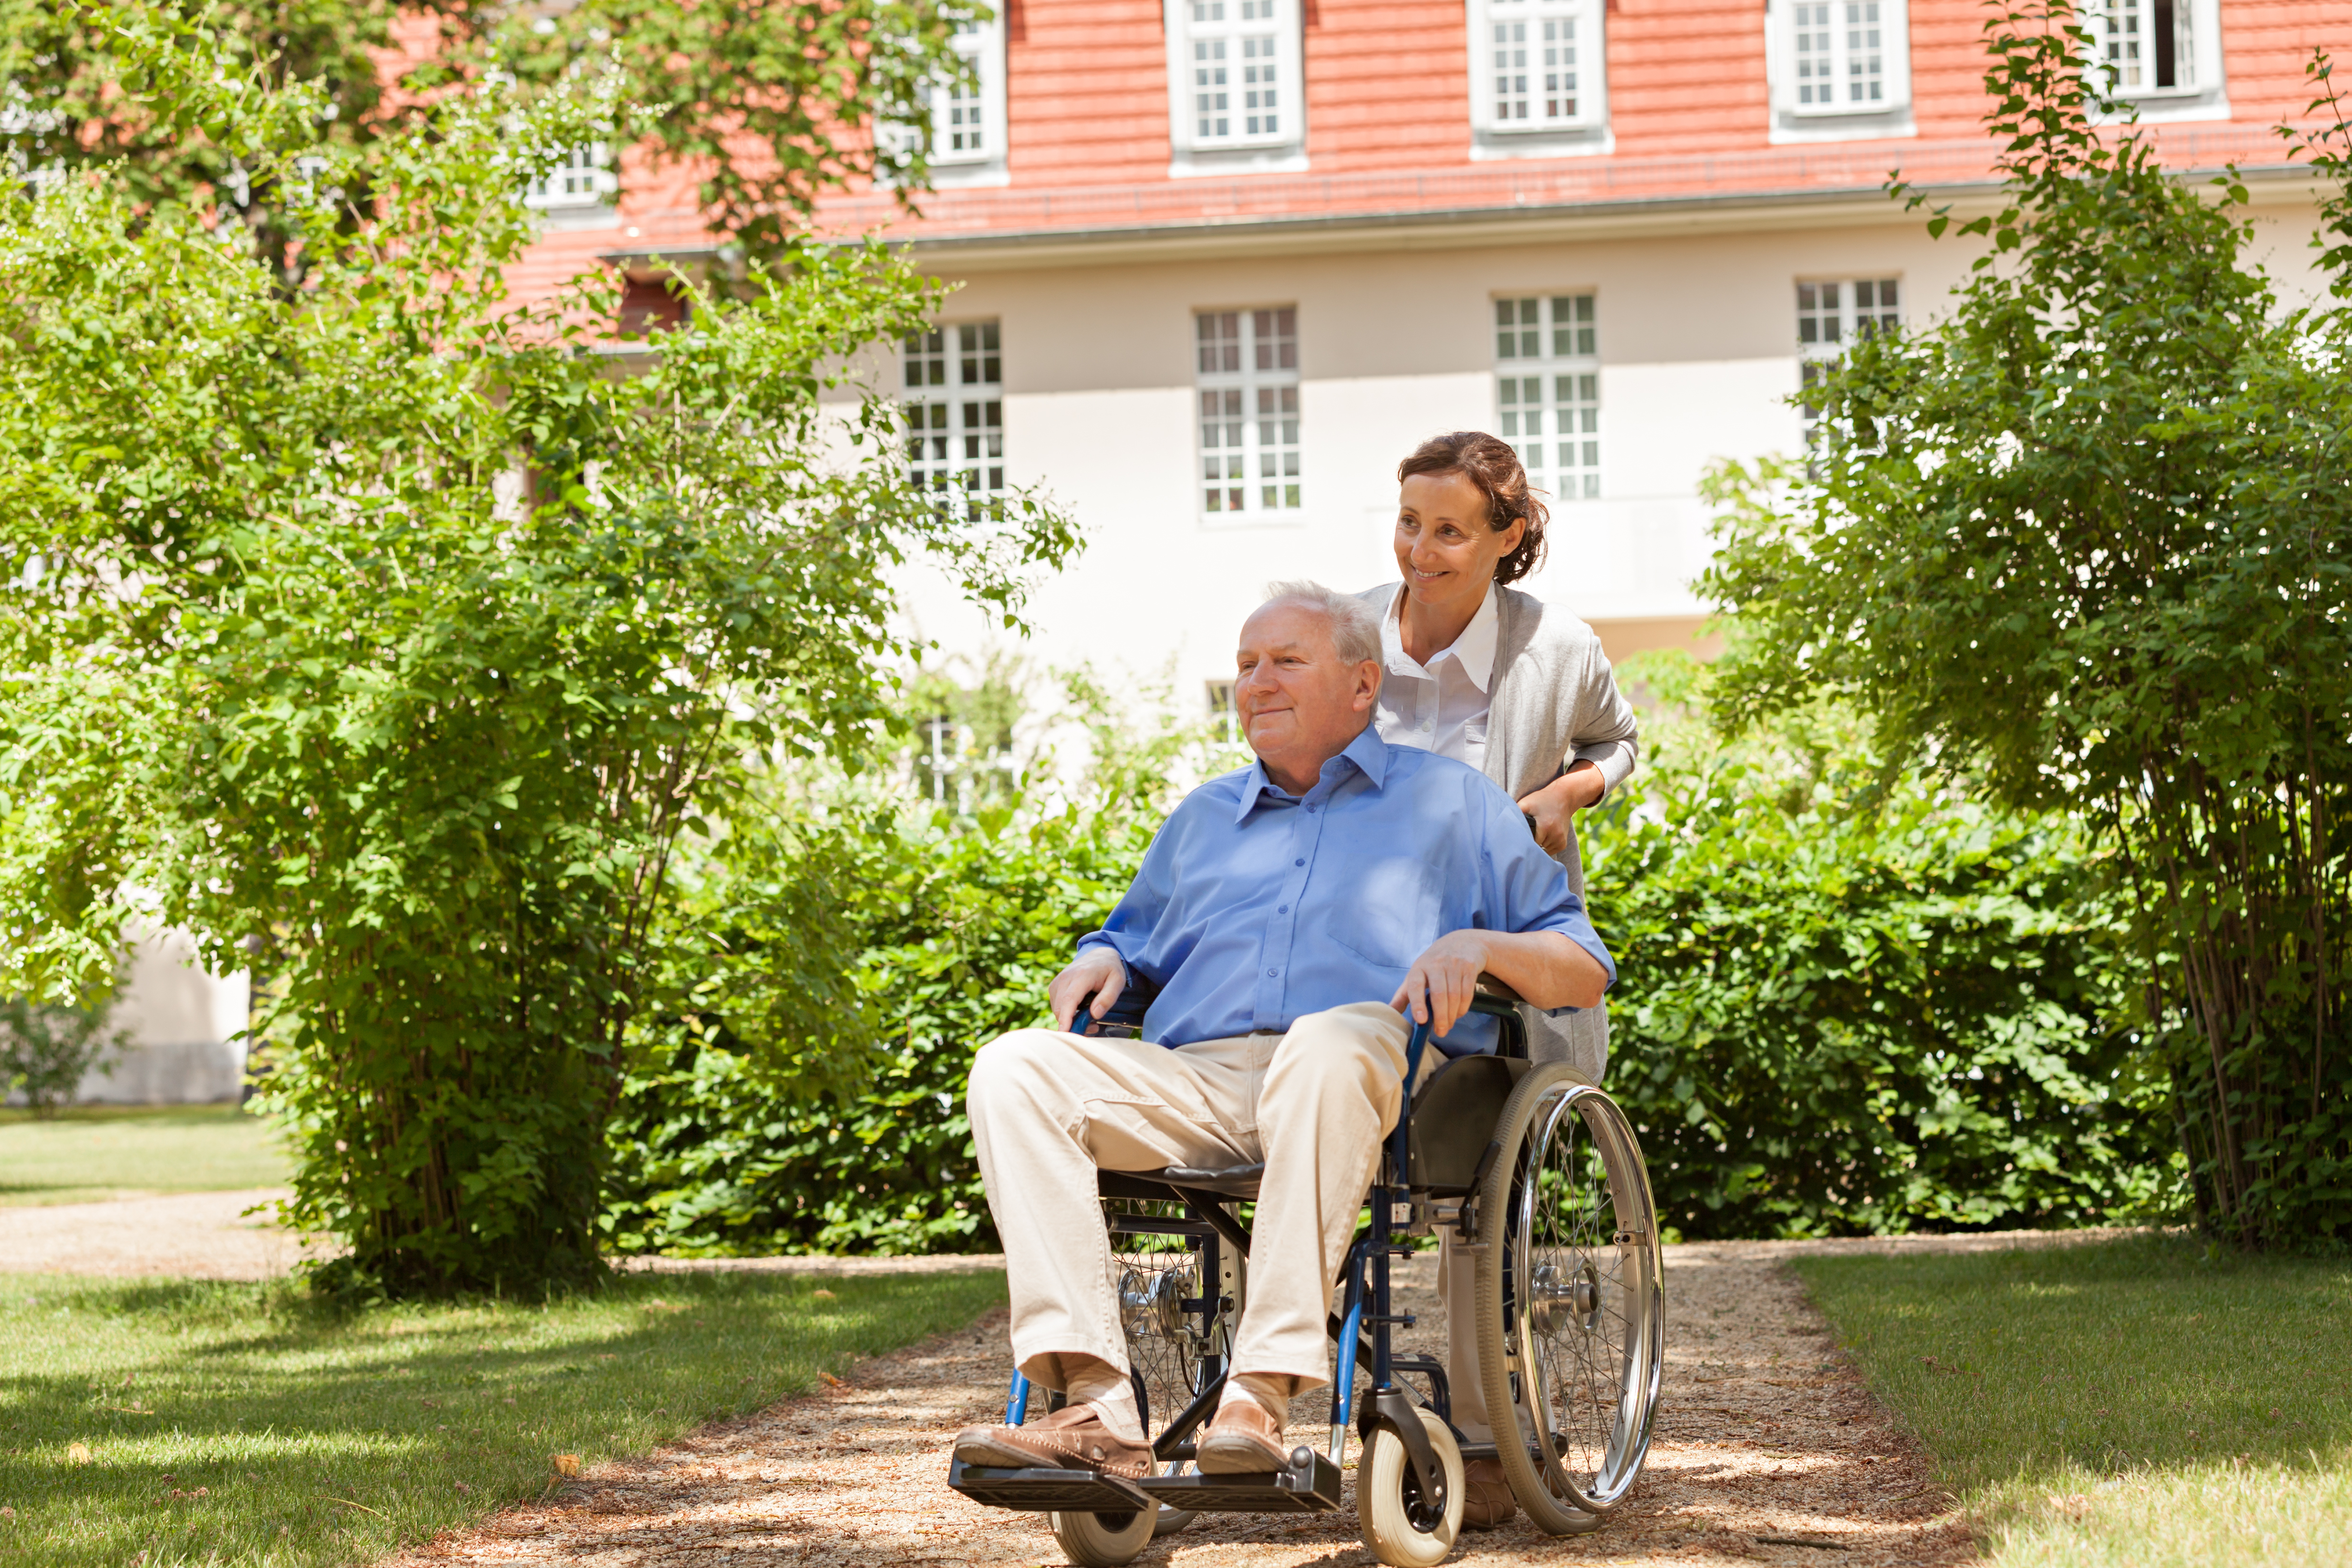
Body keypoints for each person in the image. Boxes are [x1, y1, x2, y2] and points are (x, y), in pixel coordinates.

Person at [950, 581, 1615, 1481]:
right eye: (1244, 666)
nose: (1256, 682)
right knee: (1013, 1067)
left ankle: (1257, 1394)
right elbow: (1132, 940)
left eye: (1285, 662)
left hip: (1374, 1066)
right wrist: (1103, 956)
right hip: (1206, 1079)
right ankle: (1097, 1404)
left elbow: (1581, 965)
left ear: (1361, 686)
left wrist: (1479, 944)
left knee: (1327, 1043)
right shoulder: (1202, 819)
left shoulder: (1455, 804)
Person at [1356, 429, 1640, 1528]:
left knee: (1479, 1181)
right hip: (1365, 930)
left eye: (1447, 531)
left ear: (1506, 538)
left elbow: (1617, 744)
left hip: (1496, 931)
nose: (1419, 551)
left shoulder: (1555, 648)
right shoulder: (1350, 629)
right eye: (1408, 524)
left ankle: (1477, 1440)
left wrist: (1572, 793)